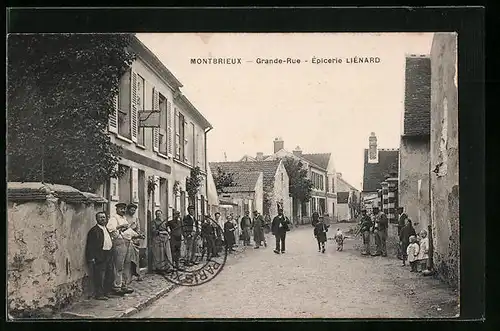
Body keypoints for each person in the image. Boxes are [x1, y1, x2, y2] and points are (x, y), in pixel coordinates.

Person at [106, 203, 135, 295]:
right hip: (119, 243)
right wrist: (121, 227)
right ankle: (116, 286)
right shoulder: (113, 219)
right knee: (118, 265)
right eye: (121, 209)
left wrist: (136, 235)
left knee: (126, 264)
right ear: (117, 209)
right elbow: (110, 229)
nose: (123, 210)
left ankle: (124, 284)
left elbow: (128, 231)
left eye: (124, 209)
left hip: (127, 242)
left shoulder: (124, 219)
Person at [86, 212, 113, 300]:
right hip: (100, 255)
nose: (102, 219)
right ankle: (99, 294)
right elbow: (90, 245)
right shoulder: (94, 230)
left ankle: (107, 292)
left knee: (109, 274)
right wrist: (91, 257)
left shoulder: (106, 229)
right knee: (100, 275)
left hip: (108, 254)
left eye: (104, 217)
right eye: (100, 217)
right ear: (97, 219)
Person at [125, 203, 144, 282]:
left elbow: (138, 229)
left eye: (134, 210)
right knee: (128, 259)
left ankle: (137, 273)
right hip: (127, 239)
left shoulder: (136, 219)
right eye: (131, 210)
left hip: (135, 240)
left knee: (135, 259)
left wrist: (139, 235)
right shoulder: (125, 218)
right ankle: (128, 276)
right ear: (128, 210)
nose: (133, 211)